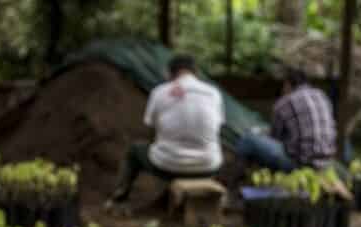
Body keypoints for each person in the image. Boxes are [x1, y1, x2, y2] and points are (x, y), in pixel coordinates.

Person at [107, 54, 224, 207]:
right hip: (208, 166)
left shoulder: (159, 92)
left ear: (169, 73)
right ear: (196, 72)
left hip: (167, 167)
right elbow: (217, 127)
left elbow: (151, 129)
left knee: (135, 151)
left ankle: (119, 197)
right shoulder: (213, 93)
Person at [235, 66, 337, 174]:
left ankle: (234, 178)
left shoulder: (284, 103)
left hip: (301, 163)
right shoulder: (321, 96)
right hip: (326, 162)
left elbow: (274, 138)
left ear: (287, 84)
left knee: (248, 140)